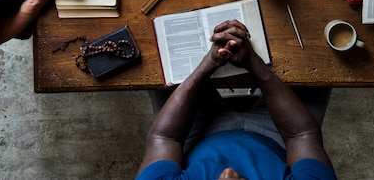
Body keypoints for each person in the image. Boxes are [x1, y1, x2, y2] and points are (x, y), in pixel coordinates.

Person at [137, 20, 337, 180]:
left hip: (200, 135)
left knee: (162, 60)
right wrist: (253, 62)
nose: (227, 173)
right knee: (318, 58)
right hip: (279, 138)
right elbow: (301, 135)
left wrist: (209, 64)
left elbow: (164, 138)